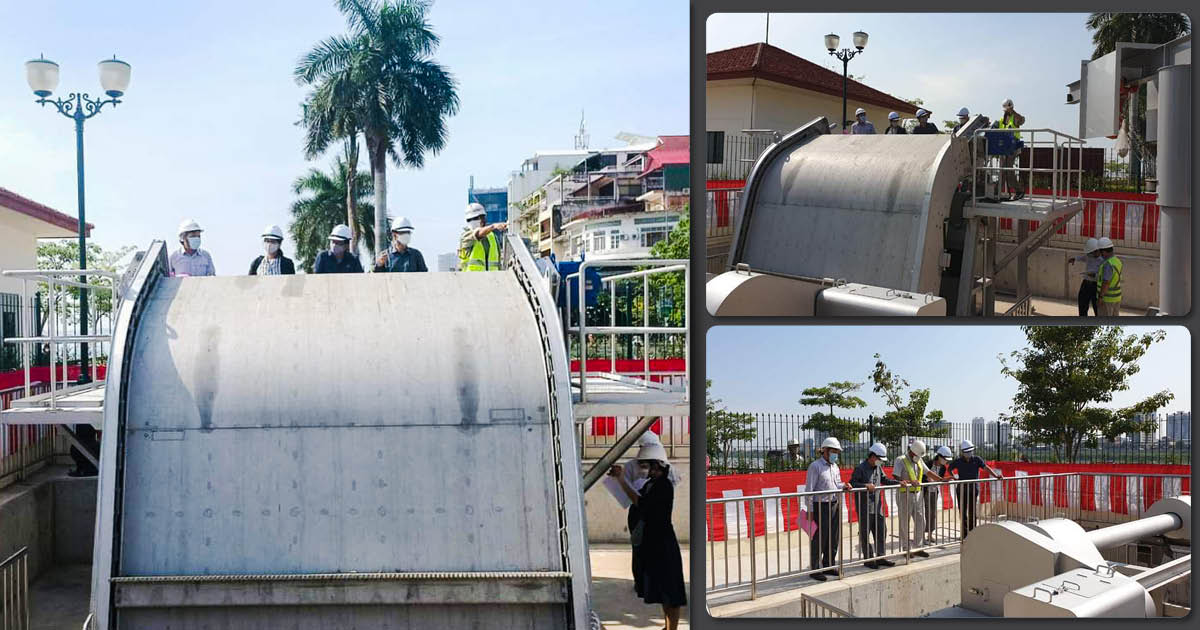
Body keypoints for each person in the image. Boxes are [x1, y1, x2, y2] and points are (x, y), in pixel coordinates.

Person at [607, 439, 686, 630]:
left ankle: (672, 627)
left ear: (657, 464)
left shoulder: (663, 486)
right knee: (662, 590)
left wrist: (621, 479)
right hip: (654, 543)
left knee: (670, 590)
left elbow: (639, 502)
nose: (644, 468)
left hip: (663, 543)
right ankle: (667, 626)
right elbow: (636, 496)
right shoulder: (651, 483)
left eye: (647, 464)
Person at [804, 437, 851, 581]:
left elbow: (836, 484)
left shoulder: (835, 466)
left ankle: (829, 564)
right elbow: (809, 491)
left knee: (833, 536)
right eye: (833, 451)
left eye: (837, 451)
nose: (835, 454)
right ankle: (815, 568)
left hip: (834, 503)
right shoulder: (815, 466)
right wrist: (810, 510)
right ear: (825, 450)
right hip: (820, 506)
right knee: (819, 538)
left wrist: (844, 486)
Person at [849, 443, 899, 569]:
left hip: (877, 506)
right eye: (879, 459)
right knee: (865, 533)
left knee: (882, 531)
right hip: (865, 507)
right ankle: (869, 559)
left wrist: (899, 482)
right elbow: (852, 483)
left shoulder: (878, 468)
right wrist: (865, 486)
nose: (880, 462)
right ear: (872, 456)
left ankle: (881, 557)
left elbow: (885, 480)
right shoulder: (860, 468)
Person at [892, 440, 946, 557]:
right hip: (904, 495)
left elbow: (928, 472)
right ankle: (906, 549)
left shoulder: (919, 460)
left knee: (921, 521)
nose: (919, 457)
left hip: (918, 494)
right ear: (912, 452)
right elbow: (895, 475)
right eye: (918, 455)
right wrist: (909, 481)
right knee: (904, 523)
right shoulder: (900, 460)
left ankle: (918, 547)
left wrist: (941, 480)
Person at [947, 439, 1002, 539]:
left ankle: (972, 533)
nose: (969, 453)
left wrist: (995, 475)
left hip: (973, 490)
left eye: (970, 451)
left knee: (972, 512)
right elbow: (949, 468)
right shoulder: (958, 461)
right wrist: (954, 476)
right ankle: (964, 534)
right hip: (962, 490)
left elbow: (986, 468)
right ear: (962, 452)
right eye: (967, 452)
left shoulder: (977, 459)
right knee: (962, 512)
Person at [994, 98, 1027, 200]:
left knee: (1008, 169)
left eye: (1007, 109)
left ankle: (1018, 190)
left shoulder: (1015, 117)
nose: (1006, 111)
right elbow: (996, 128)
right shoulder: (1002, 119)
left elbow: (1022, 120)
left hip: (1013, 146)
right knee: (1002, 170)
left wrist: (1013, 111)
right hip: (1004, 147)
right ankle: (997, 191)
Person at [460, 203, 506, 272]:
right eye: (480, 218)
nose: (483, 220)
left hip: (493, 279)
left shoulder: (492, 236)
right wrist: (493, 226)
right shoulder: (466, 236)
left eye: (483, 217)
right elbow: (477, 233)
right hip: (471, 279)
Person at [924, 445, 954, 543]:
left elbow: (939, 480)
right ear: (939, 456)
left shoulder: (943, 468)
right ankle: (922, 535)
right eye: (945, 459)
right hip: (925, 491)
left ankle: (930, 534)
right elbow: (922, 477)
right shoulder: (928, 464)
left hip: (934, 491)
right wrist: (927, 480)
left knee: (933, 513)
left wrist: (947, 479)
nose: (946, 461)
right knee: (926, 512)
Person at [1068, 237, 1102, 316]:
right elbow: (1082, 257)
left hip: (1096, 285)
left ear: (1098, 250)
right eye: (1091, 252)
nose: (1092, 254)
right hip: (1086, 284)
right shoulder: (1090, 255)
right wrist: (1074, 259)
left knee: (1097, 308)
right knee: (1082, 304)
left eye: (1093, 252)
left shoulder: (1103, 260)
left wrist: (1095, 275)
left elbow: (1105, 276)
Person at [1096, 237, 1122, 316]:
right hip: (1116, 298)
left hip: (1107, 299)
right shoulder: (1117, 261)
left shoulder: (1108, 264)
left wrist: (1100, 297)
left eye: (1100, 252)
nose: (1100, 255)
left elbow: (1106, 282)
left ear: (1104, 251)